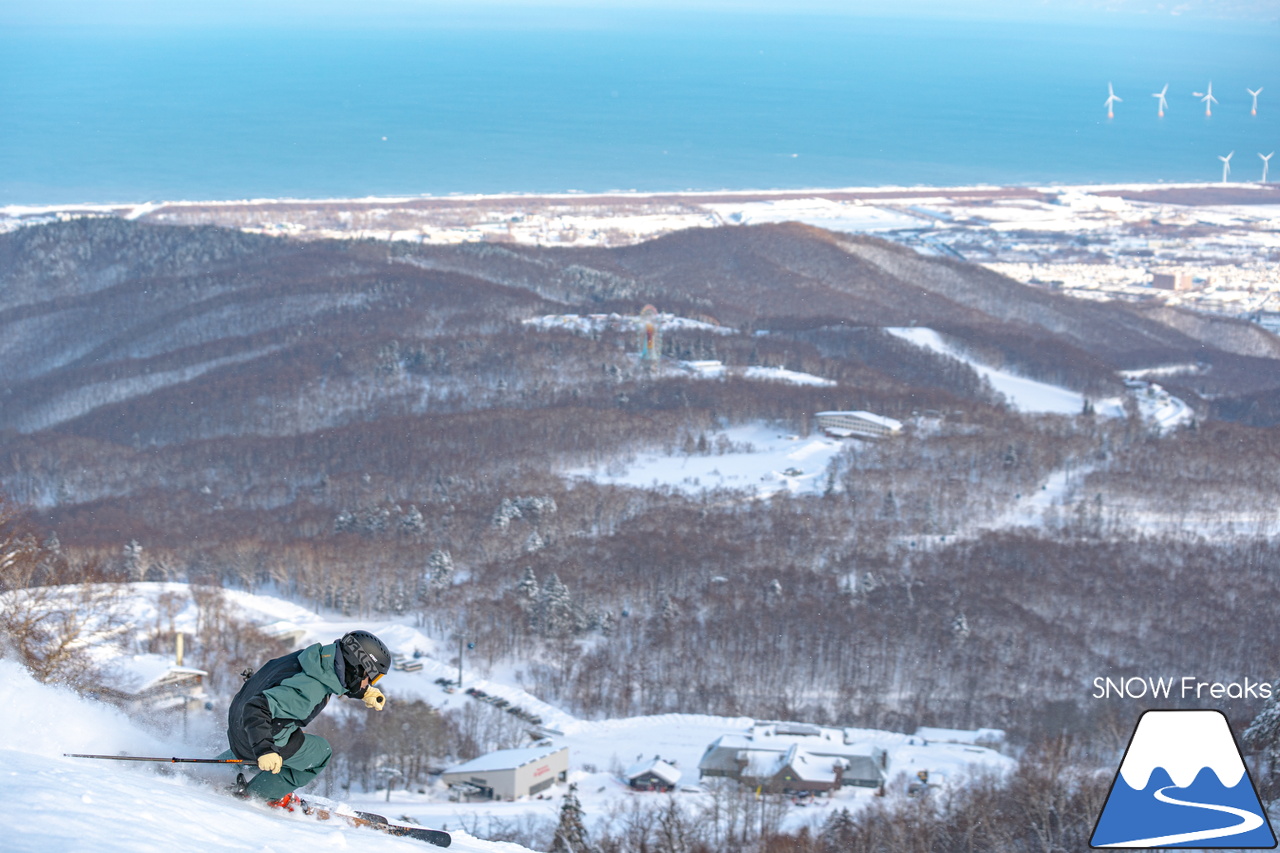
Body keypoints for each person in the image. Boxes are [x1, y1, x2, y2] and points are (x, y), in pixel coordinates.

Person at [223, 629, 391, 805]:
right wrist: (265, 750)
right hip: (255, 733)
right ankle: (258, 795)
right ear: (357, 668)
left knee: (289, 732)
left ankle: (228, 765)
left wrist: (363, 692)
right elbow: (257, 708)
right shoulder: (309, 691)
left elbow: (333, 678)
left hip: (238, 724)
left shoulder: (314, 658)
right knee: (321, 753)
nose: (369, 683)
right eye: (370, 678)